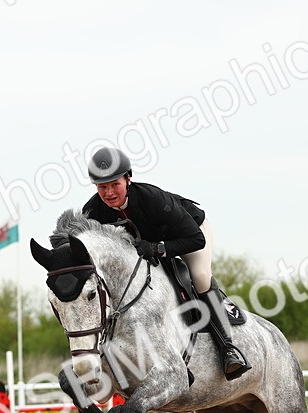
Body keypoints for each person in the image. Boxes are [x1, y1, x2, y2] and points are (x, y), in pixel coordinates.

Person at [81, 146, 249, 380]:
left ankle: (228, 349)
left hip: (189, 233)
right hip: (147, 246)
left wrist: (159, 248)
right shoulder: (93, 211)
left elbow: (196, 240)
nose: (109, 193)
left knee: (199, 276)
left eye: (114, 184)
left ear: (128, 179)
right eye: (102, 187)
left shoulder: (152, 199)